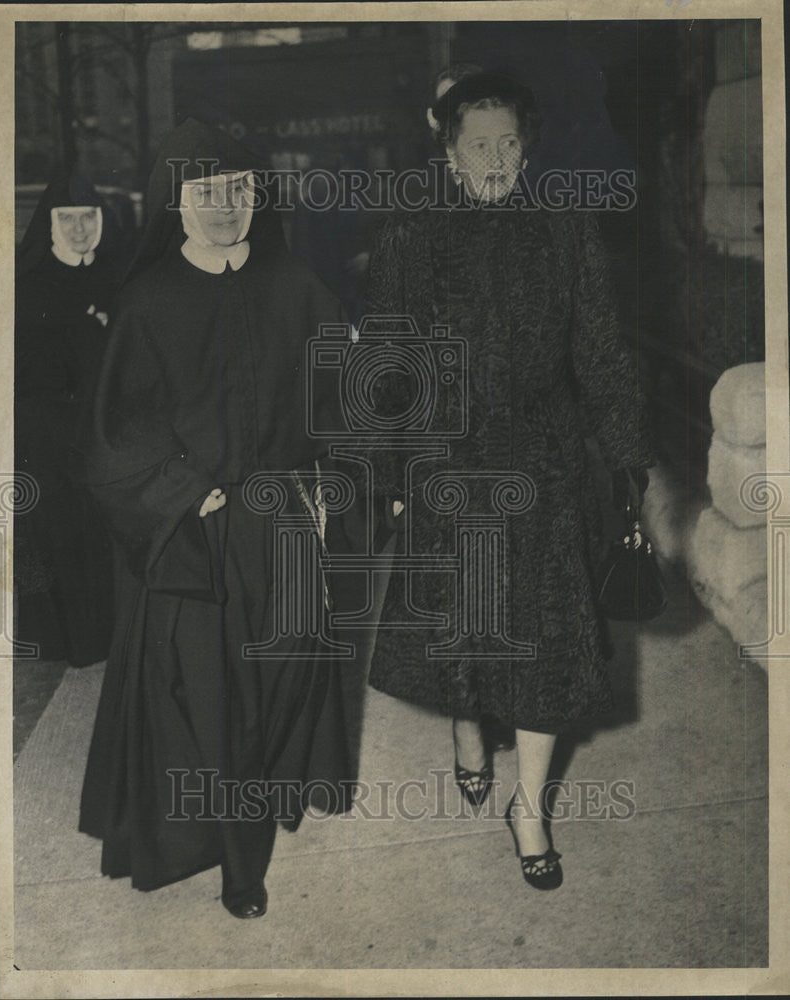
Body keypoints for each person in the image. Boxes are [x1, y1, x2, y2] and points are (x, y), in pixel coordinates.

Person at [365, 71, 653, 890]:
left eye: (508, 143)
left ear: (527, 151)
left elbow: (598, 347)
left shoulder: (564, 226)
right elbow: (385, 359)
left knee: (548, 640)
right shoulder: (412, 234)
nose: (494, 157)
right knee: (468, 623)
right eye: (477, 144)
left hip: (545, 461)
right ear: (449, 154)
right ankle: (465, 724)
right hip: (447, 461)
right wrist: (385, 463)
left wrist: (627, 457)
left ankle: (528, 805)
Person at [77, 118, 355, 918]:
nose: (225, 207)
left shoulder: (299, 287)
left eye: (238, 190)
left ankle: (265, 802)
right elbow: (109, 436)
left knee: (288, 677)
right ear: (178, 203)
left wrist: (330, 484)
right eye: (206, 193)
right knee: (214, 694)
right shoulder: (147, 301)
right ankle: (241, 861)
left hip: (288, 521)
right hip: (195, 531)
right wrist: (182, 486)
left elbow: (344, 402)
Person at [14, 170, 123, 667]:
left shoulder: (120, 277)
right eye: (68, 218)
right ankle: (73, 644)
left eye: (88, 217)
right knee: (62, 537)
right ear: (51, 225)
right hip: (48, 442)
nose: (79, 229)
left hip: (108, 435)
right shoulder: (26, 285)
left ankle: (115, 638)